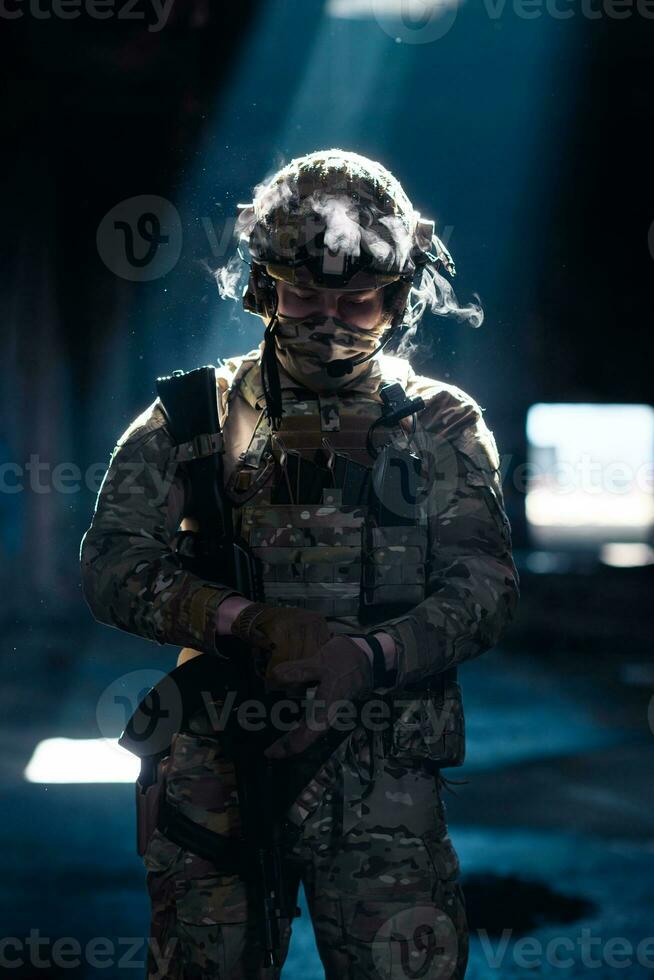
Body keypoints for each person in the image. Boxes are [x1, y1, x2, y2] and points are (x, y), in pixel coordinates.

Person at [80, 148, 519, 980]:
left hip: (384, 781)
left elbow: (487, 585)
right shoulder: (190, 416)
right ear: (261, 289)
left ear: (398, 298)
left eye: (357, 303)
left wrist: (371, 656)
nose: (327, 321)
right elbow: (111, 564)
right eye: (304, 296)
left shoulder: (440, 424)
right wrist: (244, 621)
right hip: (221, 770)